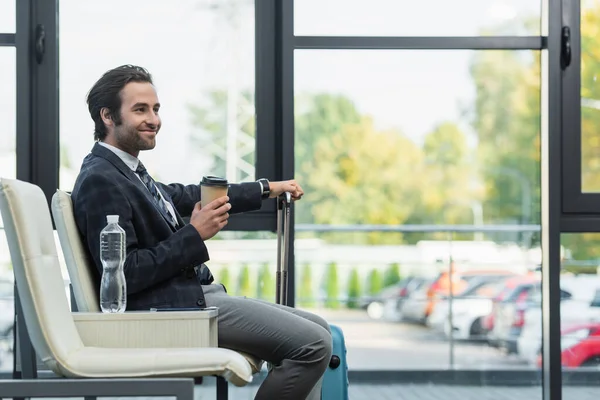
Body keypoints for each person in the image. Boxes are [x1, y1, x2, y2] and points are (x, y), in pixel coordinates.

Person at [71, 64, 332, 400]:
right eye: (140, 110)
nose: (154, 119)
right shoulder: (101, 179)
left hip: (189, 298)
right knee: (313, 344)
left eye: (156, 109)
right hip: (169, 311)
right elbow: (125, 274)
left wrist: (268, 188)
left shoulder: (126, 170)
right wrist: (194, 235)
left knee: (320, 330)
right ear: (108, 116)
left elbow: (192, 195)